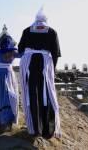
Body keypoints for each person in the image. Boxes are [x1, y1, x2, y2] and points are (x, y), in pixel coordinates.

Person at [18, 8, 61, 138]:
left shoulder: (26, 31)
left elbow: (20, 49)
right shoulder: (52, 32)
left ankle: (34, 128)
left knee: (31, 95)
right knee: (46, 95)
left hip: (29, 65)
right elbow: (55, 54)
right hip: (44, 65)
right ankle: (47, 129)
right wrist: (52, 69)